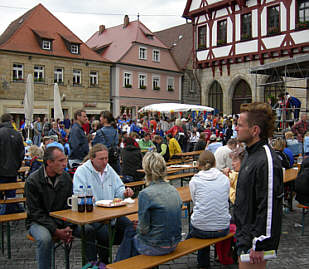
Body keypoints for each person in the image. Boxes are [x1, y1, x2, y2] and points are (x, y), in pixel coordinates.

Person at [25, 147, 97, 269]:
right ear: (49, 162)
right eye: (61, 161)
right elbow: (35, 213)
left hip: (62, 220)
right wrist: (56, 230)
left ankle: (91, 266)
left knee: (89, 230)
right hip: (38, 222)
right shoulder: (33, 181)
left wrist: (70, 225)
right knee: (45, 239)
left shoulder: (65, 178)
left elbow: (69, 206)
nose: (65, 164)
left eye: (65, 160)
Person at [234, 102, 283, 268]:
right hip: (244, 237)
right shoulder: (250, 153)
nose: (236, 128)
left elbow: (269, 207)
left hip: (254, 244)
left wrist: (260, 244)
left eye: (240, 125)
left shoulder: (266, 159)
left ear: (255, 130)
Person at [73, 144, 134, 263]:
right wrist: (90, 200)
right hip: (93, 215)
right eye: (101, 159)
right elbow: (78, 193)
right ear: (92, 159)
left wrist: (125, 192)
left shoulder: (109, 169)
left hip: (111, 212)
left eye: (106, 158)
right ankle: (104, 261)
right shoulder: (82, 171)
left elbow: (119, 187)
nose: (105, 162)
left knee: (131, 228)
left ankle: (124, 260)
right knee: (104, 233)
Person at [117, 152, 182, 261]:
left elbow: (143, 229)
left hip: (156, 245)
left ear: (146, 170)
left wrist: (138, 226)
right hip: (174, 241)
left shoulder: (145, 194)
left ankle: (118, 263)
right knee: (132, 232)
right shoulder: (173, 190)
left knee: (130, 231)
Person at [187, 150, 230, 268]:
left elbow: (195, 202)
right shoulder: (224, 179)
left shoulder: (194, 181)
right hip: (223, 227)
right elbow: (225, 199)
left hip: (201, 229)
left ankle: (203, 262)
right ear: (215, 163)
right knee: (206, 216)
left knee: (199, 219)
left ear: (199, 164)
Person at [0, 113, 25, 214]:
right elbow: (21, 153)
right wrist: (17, 166)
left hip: (1, 170)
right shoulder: (17, 134)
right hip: (13, 170)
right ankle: (9, 212)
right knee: (11, 195)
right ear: (11, 121)